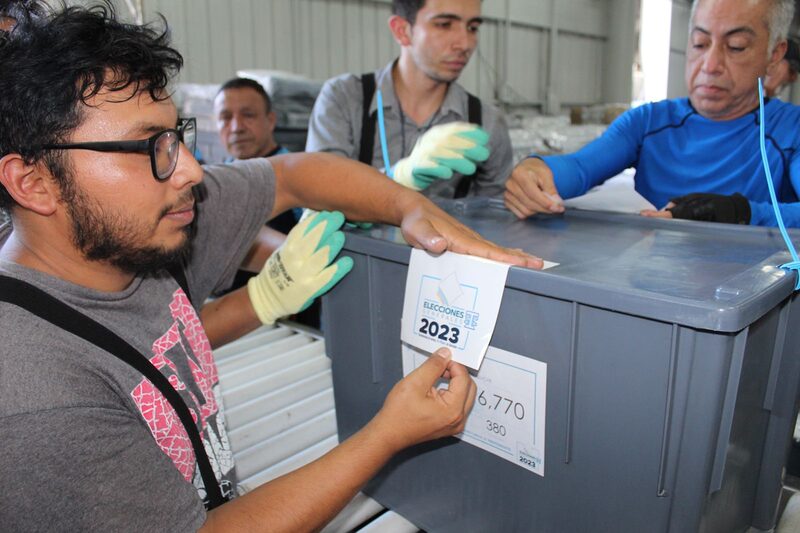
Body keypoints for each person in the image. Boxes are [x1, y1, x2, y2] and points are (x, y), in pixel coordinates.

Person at [0, 4, 541, 531]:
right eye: (149, 147)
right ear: (34, 183)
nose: (191, 170)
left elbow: (293, 175)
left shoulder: (140, 232)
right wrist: (386, 435)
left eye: (176, 136)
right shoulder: (34, 393)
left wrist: (409, 206)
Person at [505, 0, 800, 227]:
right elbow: (581, 167)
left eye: (736, 47)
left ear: (774, 54)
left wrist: (740, 212)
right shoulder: (647, 123)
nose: (710, 65)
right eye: (700, 44)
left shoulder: (791, 131)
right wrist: (536, 172)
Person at [306, 0, 513, 199]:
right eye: (444, 25)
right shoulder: (344, 98)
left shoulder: (487, 123)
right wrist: (399, 175)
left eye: (472, 28)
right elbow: (321, 189)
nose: (464, 44)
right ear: (402, 31)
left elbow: (493, 212)